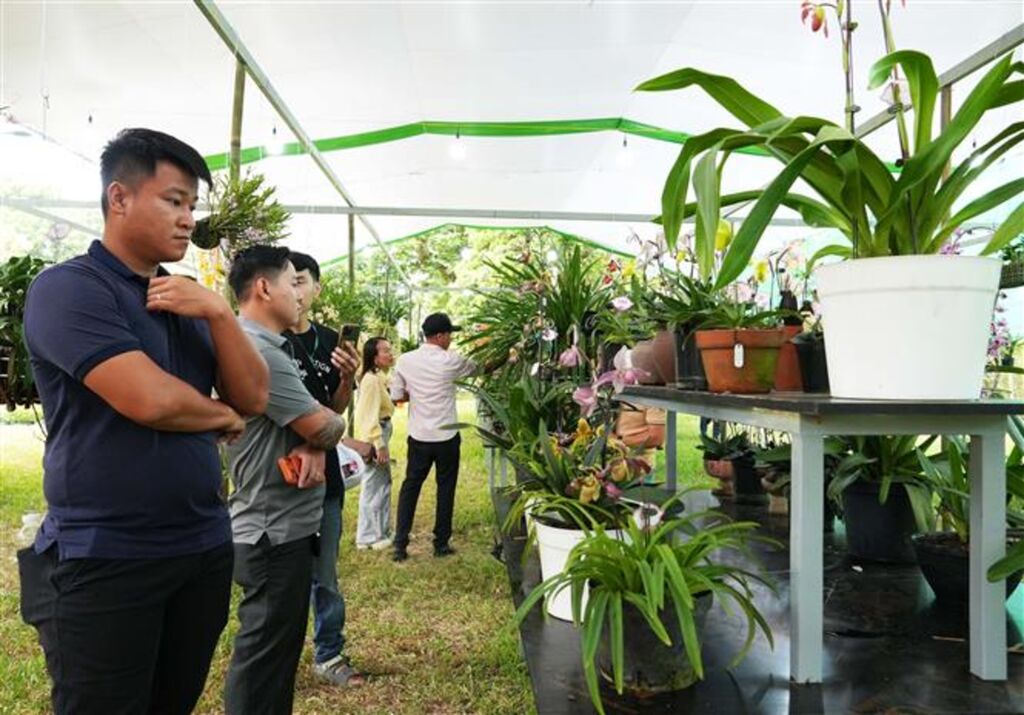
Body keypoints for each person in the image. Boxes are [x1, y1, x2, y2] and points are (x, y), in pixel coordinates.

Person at [18, 128, 269, 714]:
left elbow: (254, 396)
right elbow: (150, 400)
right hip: (108, 553)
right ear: (119, 198)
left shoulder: (185, 298)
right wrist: (219, 414)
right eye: (174, 200)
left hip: (201, 545)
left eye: (192, 205)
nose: (188, 220)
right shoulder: (68, 289)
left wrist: (219, 313)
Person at [222, 246, 360, 714]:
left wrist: (316, 432)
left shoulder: (257, 343)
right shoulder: (261, 351)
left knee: (274, 654)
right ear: (264, 288)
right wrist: (319, 433)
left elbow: (318, 423)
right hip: (272, 529)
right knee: (264, 656)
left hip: (275, 523)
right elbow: (326, 426)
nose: (298, 295)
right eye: (290, 282)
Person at [285, 250, 368, 686]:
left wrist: (347, 378)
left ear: (317, 289)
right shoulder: (266, 337)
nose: (293, 289)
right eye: (285, 280)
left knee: (326, 573)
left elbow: (336, 411)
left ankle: (329, 652)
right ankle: (277, 653)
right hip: (279, 472)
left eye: (300, 280)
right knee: (282, 574)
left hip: (325, 474)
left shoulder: (331, 340)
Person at [390, 313, 478, 562]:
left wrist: (417, 393)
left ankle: (400, 544)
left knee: (411, 486)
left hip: (419, 436)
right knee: (445, 488)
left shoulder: (405, 361)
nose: (451, 339)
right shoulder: (452, 360)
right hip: (446, 436)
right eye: (449, 334)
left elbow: (397, 395)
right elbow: (479, 367)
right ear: (440, 336)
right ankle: (440, 543)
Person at [353, 337, 396, 550]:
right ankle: (371, 537)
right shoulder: (370, 380)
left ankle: (378, 532)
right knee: (375, 485)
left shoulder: (377, 376)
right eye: (385, 351)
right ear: (374, 356)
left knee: (379, 483)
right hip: (376, 435)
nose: (390, 353)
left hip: (381, 431)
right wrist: (379, 444)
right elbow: (368, 415)